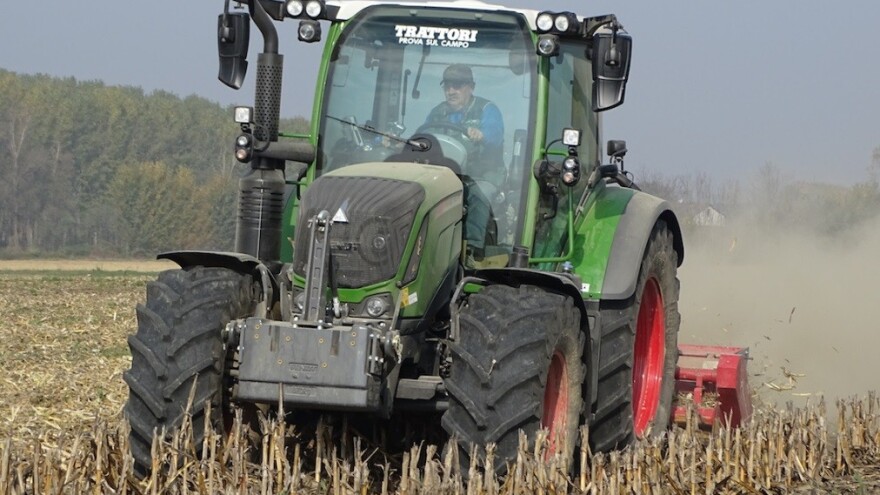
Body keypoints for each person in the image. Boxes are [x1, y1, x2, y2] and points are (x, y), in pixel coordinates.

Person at [424, 64, 504, 262]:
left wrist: (482, 135)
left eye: (457, 86)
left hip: (481, 175)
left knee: (479, 194)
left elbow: (495, 135)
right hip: (446, 175)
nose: (451, 91)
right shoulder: (437, 113)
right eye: (447, 86)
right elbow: (423, 136)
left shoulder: (487, 109)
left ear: (471, 87)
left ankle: (472, 250)